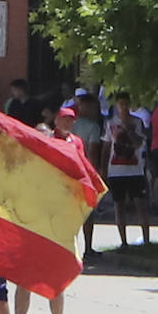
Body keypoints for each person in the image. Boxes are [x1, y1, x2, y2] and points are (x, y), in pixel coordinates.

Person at [14, 107, 83, 314]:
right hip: (32, 224)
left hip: (57, 222)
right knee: (25, 277)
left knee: (58, 276)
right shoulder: (28, 164)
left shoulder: (70, 148)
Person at [103, 91, 150, 248]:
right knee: (119, 206)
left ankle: (146, 240)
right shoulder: (110, 123)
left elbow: (139, 143)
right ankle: (123, 242)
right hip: (116, 171)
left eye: (126, 104)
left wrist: (129, 130)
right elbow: (106, 146)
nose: (123, 107)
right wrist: (103, 169)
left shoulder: (137, 122)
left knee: (141, 205)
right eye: (120, 104)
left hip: (135, 170)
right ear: (116, 105)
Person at [71, 89, 104, 260]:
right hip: (84, 173)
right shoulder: (93, 127)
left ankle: (69, 247)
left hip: (68, 172)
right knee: (88, 213)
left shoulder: (71, 124)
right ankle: (88, 247)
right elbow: (92, 153)